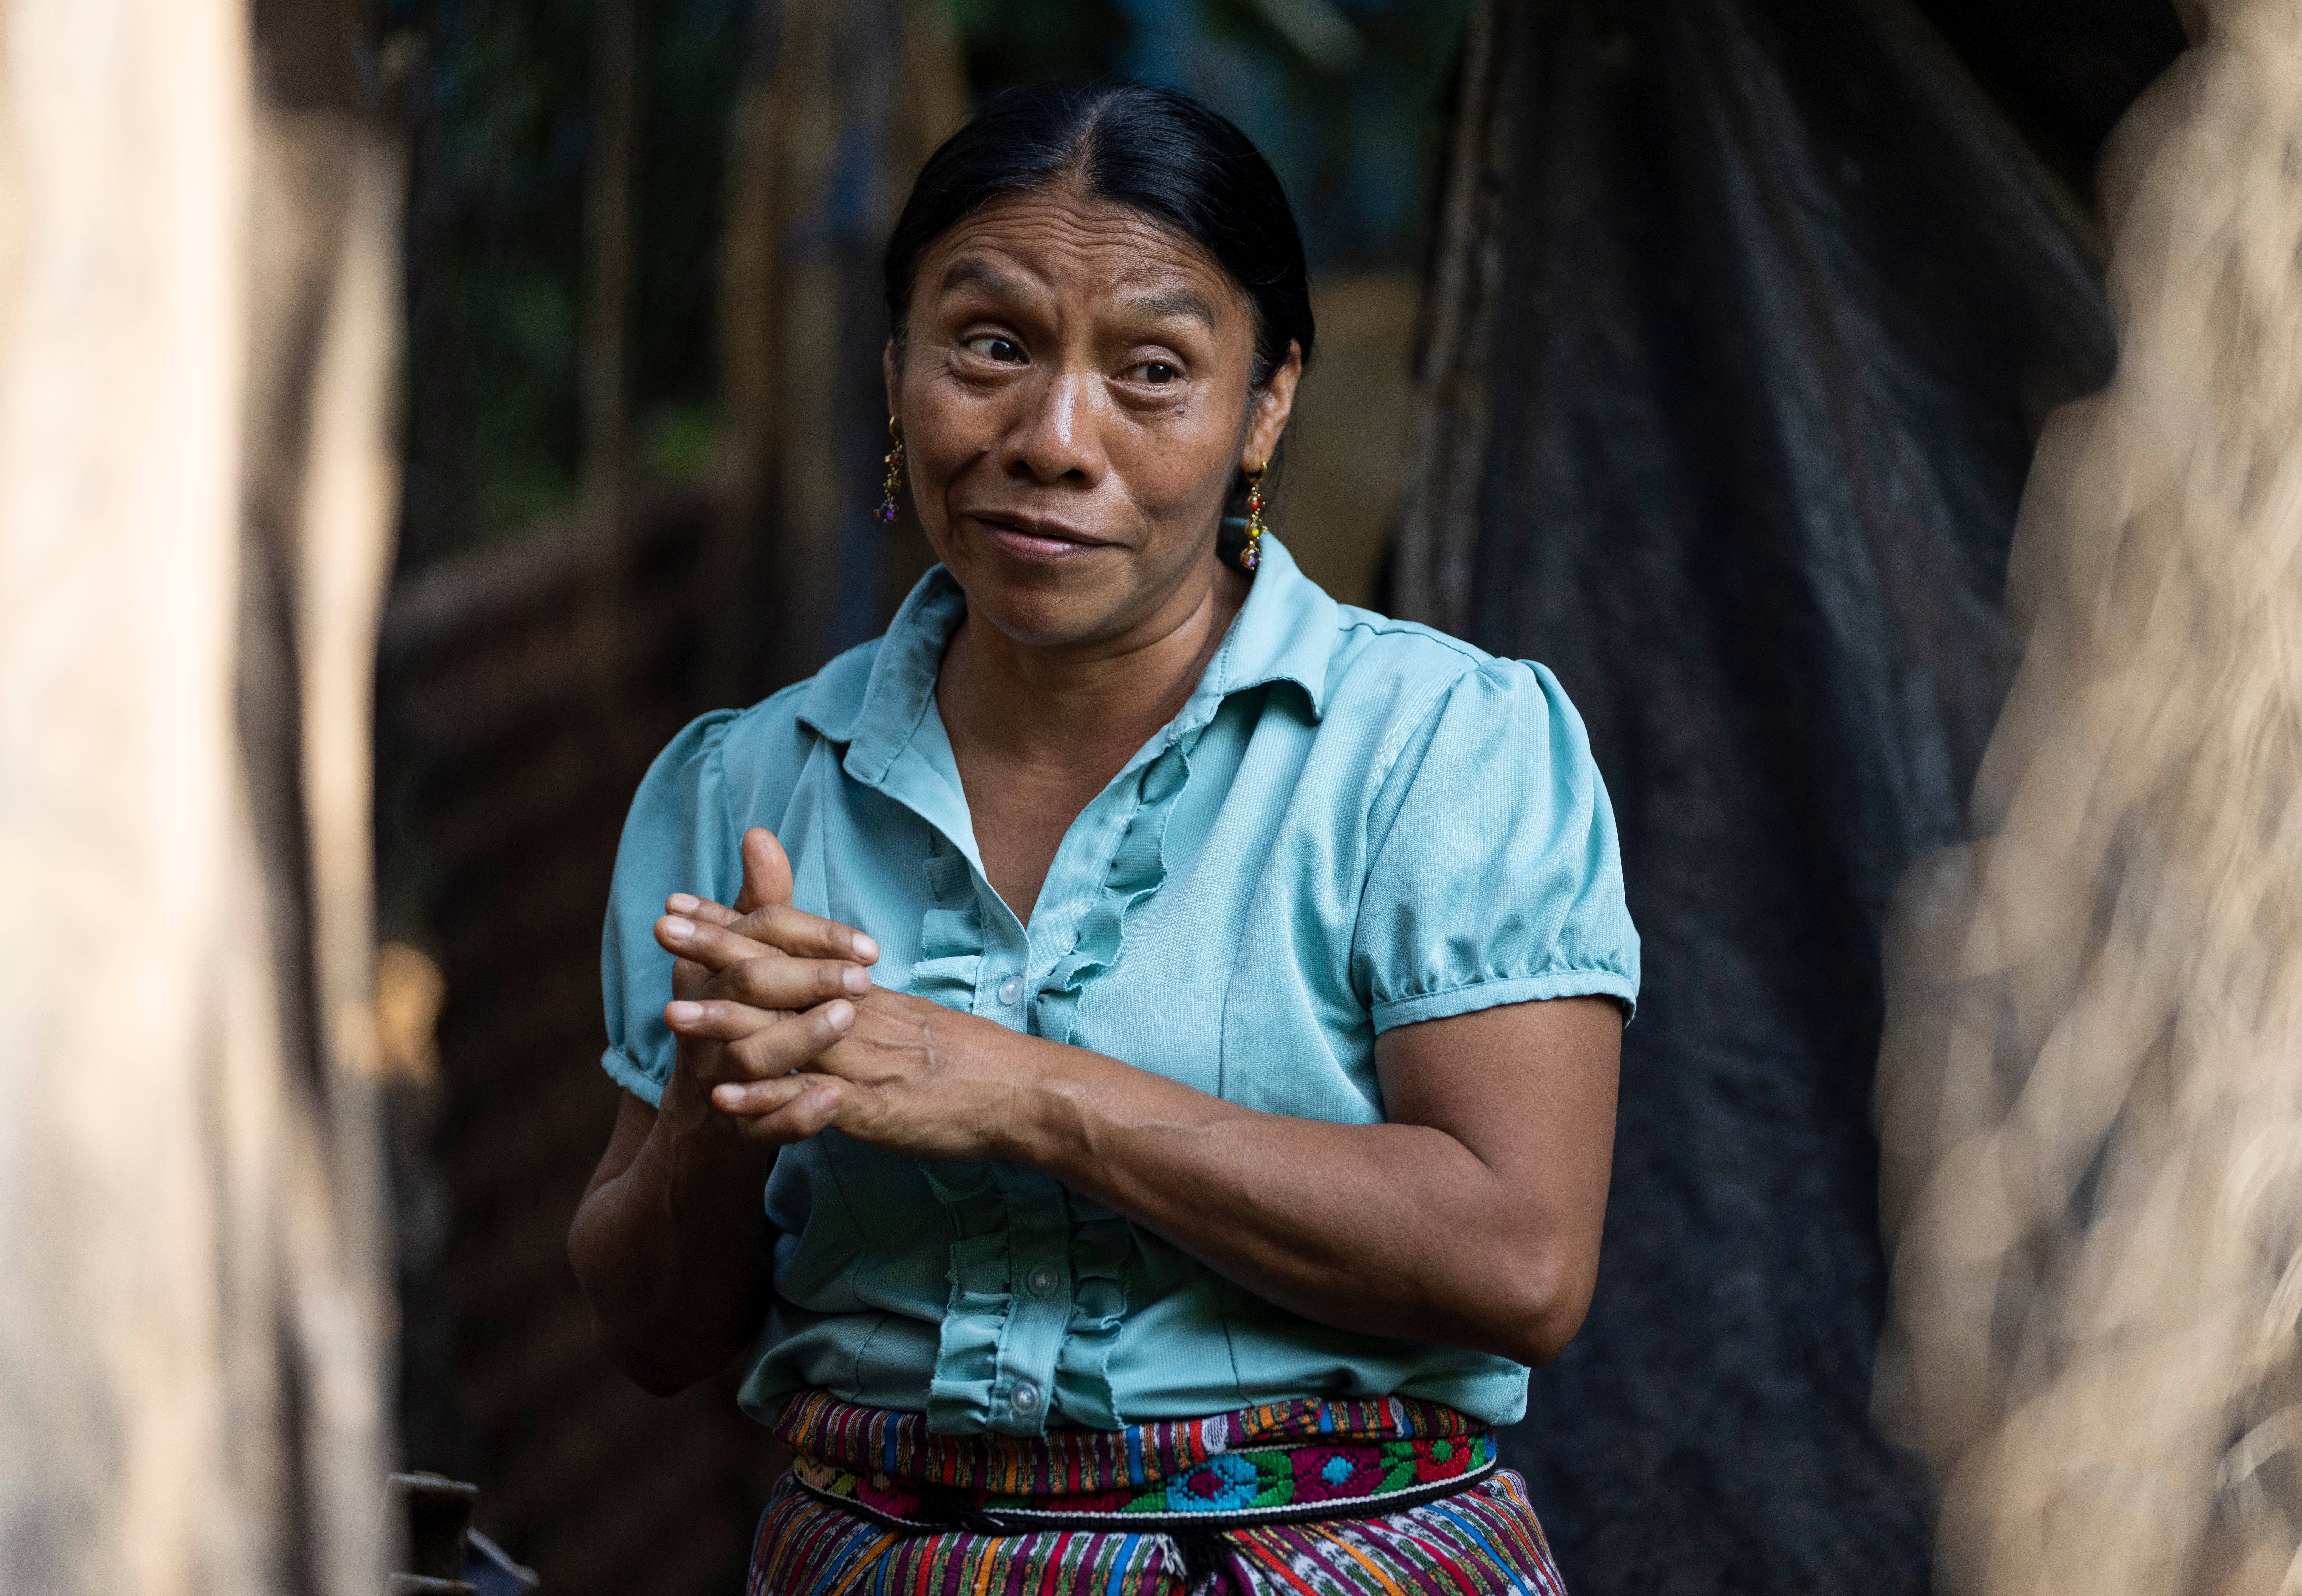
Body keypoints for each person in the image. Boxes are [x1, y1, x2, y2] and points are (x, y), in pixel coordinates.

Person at [568, 78, 1638, 1596]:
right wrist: (717, 1103)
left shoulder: (1438, 751)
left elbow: (1523, 1262)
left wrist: (1025, 1095)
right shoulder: (745, 786)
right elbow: (650, 1334)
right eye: (990, 346)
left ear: (1265, 407)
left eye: (1152, 370)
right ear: (896, 374)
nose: (1053, 439)